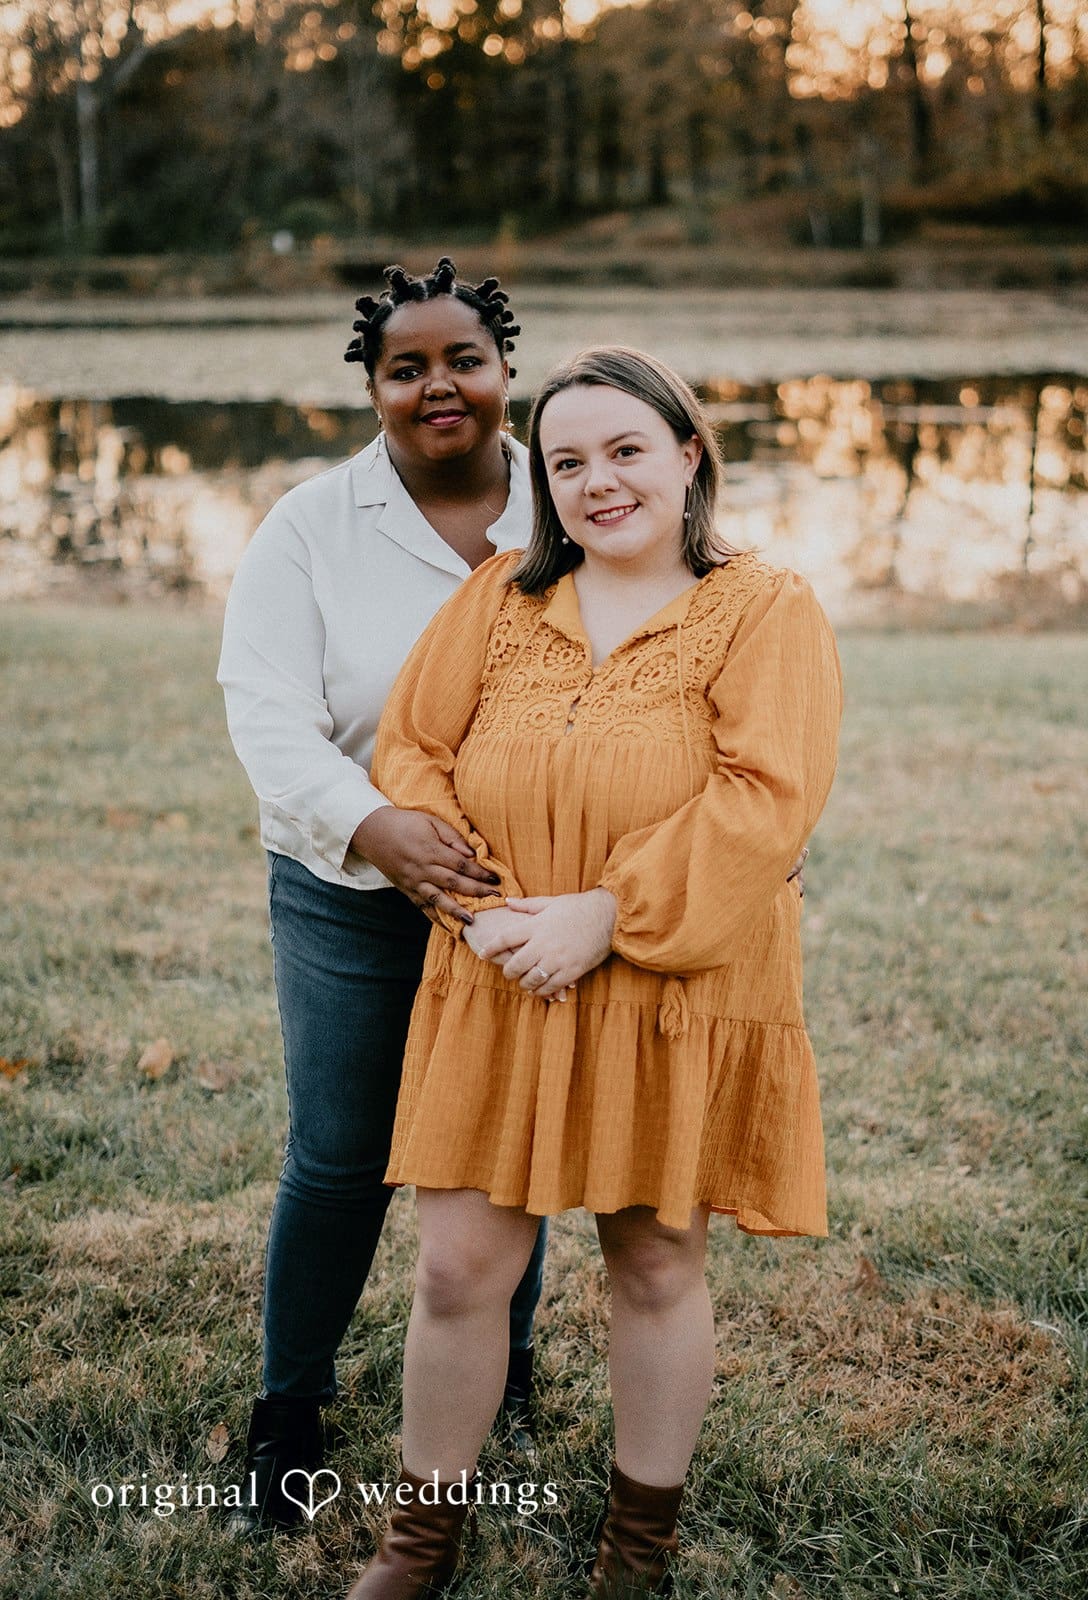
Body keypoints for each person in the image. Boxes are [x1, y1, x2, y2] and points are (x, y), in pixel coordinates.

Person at [346, 346, 843, 1598]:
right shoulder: (500, 598)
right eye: (565, 461)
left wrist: (606, 915)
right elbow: (412, 748)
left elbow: (765, 799)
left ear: (687, 455)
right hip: (502, 969)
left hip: (668, 983)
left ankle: (636, 1551)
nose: (596, 482)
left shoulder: (762, 606)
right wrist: (481, 908)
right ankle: (417, 1545)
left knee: (656, 1259)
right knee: (456, 1267)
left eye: (625, 450)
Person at [216, 258, 548, 1534]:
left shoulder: (570, 500)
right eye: (405, 367)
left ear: (504, 368)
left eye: (461, 358)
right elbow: (266, 714)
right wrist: (376, 825)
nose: (437, 385)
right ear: (372, 388)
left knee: (506, 1152)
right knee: (342, 1159)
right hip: (347, 889)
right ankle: (283, 1422)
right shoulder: (308, 525)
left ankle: (505, 1381)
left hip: (518, 899)